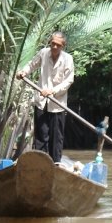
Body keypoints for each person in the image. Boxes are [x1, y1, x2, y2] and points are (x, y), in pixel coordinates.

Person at [16, 31, 74, 163]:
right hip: (41, 102)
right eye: (53, 43)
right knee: (41, 136)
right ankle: (40, 164)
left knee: (56, 138)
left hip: (57, 104)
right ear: (50, 43)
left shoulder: (67, 59)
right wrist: (23, 72)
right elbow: (32, 64)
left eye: (58, 45)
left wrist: (52, 91)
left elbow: (69, 81)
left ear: (63, 46)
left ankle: (56, 165)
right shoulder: (43, 53)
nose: (54, 47)